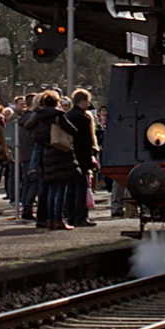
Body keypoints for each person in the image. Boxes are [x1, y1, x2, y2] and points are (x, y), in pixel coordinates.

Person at [25, 89, 80, 229]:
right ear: (57, 101)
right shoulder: (58, 114)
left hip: (46, 154)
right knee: (60, 188)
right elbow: (72, 130)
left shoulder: (38, 115)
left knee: (49, 188)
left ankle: (49, 219)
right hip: (60, 154)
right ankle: (58, 219)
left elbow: (27, 126)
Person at [66, 87, 100, 227]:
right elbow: (86, 141)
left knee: (71, 188)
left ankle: (71, 216)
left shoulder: (68, 115)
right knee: (82, 187)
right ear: (83, 101)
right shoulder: (83, 118)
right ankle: (81, 216)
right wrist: (90, 160)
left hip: (70, 157)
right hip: (81, 157)